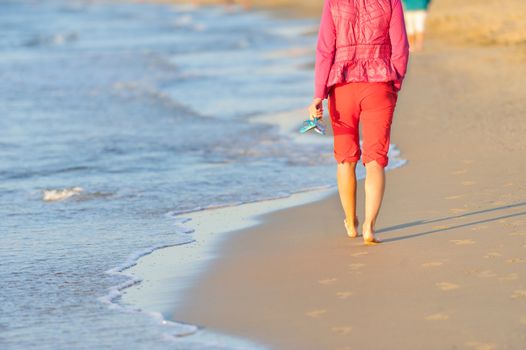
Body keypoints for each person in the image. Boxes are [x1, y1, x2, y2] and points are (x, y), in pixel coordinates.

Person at [308, 0, 409, 245]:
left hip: (342, 87)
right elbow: (401, 47)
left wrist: (318, 94)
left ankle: (350, 221)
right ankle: (369, 226)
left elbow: (325, 51)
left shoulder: (333, 3)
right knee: (376, 158)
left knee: (346, 159)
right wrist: (394, 81)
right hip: (379, 83)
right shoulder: (391, 1)